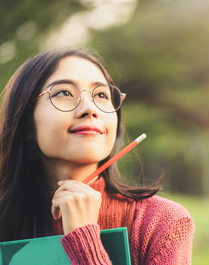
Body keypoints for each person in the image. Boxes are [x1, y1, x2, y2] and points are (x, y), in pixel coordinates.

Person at [0, 48, 194, 264]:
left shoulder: (161, 223)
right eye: (64, 92)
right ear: (25, 123)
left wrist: (84, 239)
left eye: (101, 95)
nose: (90, 109)